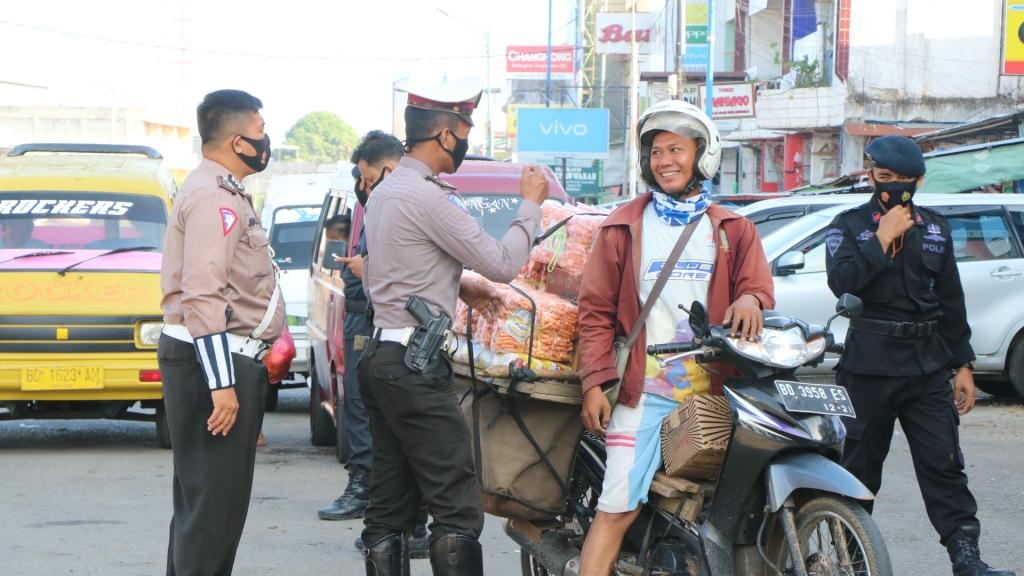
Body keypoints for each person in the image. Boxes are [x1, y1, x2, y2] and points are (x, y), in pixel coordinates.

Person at [575, 100, 775, 576]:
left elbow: (758, 287)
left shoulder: (731, 228)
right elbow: (596, 311)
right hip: (645, 391)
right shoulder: (623, 226)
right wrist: (594, 384)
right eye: (657, 152)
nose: (665, 161)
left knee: (739, 507)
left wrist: (752, 301)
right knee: (617, 508)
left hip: (718, 393)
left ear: (701, 155)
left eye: (676, 150)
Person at [359, 80, 549, 575]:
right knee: (456, 506)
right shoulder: (428, 197)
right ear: (444, 135)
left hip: (383, 358)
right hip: (416, 367)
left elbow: (396, 271)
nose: (466, 139)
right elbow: (504, 263)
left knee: (390, 504)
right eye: (464, 129)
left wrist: (460, 284)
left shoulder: (386, 190)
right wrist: (530, 203)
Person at [825, 135, 1014, 576]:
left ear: (920, 180)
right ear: (871, 176)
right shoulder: (848, 225)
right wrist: (881, 238)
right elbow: (843, 283)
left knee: (943, 464)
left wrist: (962, 364)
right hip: (868, 366)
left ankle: (966, 558)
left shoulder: (935, 228)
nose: (893, 187)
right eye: (884, 178)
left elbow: (950, 300)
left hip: (926, 366)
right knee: (857, 470)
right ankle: (850, 559)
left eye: (904, 180)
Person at [158, 89, 283, 576]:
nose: (264, 141)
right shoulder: (214, 197)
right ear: (236, 140)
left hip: (217, 358)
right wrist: (222, 385)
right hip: (214, 360)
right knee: (212, 515)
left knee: (207, 510)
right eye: (259, 132)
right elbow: (203, 295)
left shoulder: (219, 189)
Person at [317, 130, 434, 558]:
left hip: (399, 329)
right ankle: (383, 510)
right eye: (360, 182)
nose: (363, 188)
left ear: (387, 169)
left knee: (400, 429)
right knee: (365, 414)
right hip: (367, 318)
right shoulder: (371, 202)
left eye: (368, 180)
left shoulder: (410, 200)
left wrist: (369, 269)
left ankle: (406, 522)